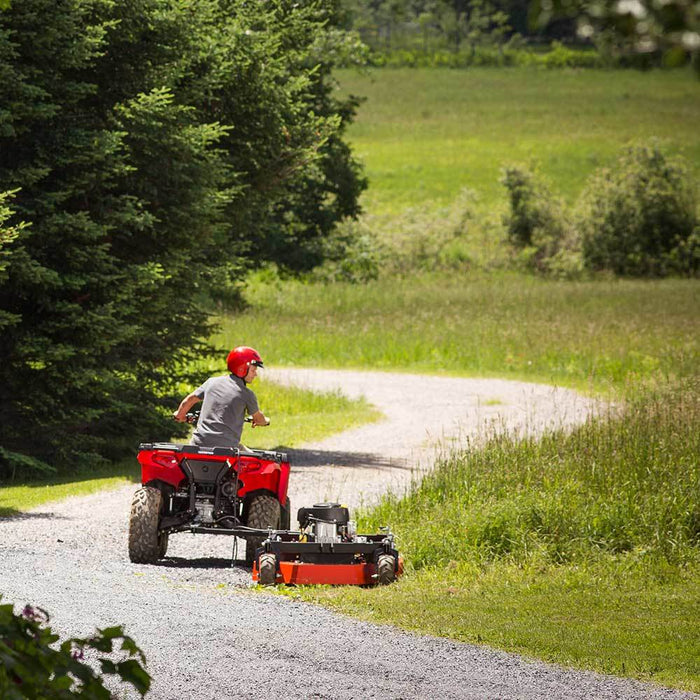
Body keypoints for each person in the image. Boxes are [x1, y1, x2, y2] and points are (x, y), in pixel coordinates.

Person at [173, 346, 269, 448]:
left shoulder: (211, 382)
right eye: (253, 370)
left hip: (197, 445)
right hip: (227, 451)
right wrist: (265, 421)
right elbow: (259, 419)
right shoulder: (246, 394)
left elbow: (190, 400)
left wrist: (180, 415)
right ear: (242, 368)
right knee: (250, 458)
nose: (255, 374)